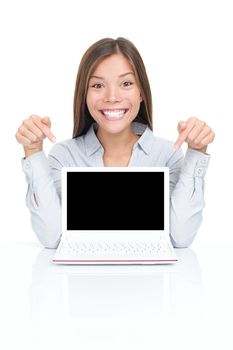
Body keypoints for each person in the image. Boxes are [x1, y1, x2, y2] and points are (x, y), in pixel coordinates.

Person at [15, 37, 215, 249]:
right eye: (98, 85)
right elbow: (52, 238)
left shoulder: (167, 154)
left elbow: (180, 238)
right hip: (80, 279)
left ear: (141, 93)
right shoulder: (64, 156)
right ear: (84, 95)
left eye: (126, 83)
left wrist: (196, 151)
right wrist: (33, 150)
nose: (112, 97)